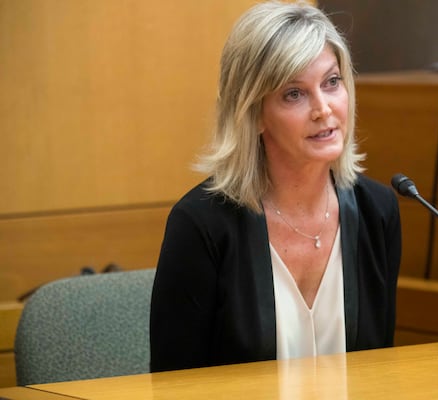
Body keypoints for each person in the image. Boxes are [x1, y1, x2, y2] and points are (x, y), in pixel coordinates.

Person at [150, 0, 401, 373]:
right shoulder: (201, 225)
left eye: (331, 83)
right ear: (252, 113)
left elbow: (379, 371)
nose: (323, 109)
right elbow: (173, 387)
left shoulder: (376, 210)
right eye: (294, 94)